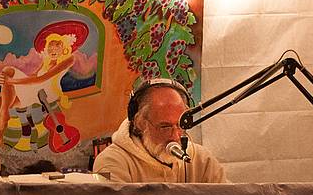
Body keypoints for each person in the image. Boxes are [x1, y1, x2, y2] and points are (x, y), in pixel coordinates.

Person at [92, 78, 226, 182]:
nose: (175, 136)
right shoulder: (112, 162)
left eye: (180, 125)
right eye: (165, 127)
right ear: (140, 123)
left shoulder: (202, 160)